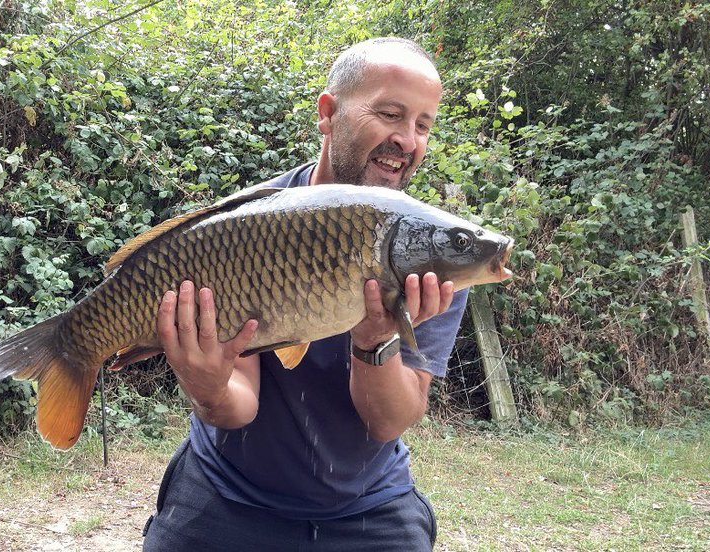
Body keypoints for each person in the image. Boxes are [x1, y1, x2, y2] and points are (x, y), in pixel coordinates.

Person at [142, 37, 467, 551]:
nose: (407, 139)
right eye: (390, 113)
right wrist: (208, 387)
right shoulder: (249, 224)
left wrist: (375, 339)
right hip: (231, 492)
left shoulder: (426, 251)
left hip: (367, 503)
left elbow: (388, 421)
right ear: (328, 113)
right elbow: (238, 407)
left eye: (423, 125)